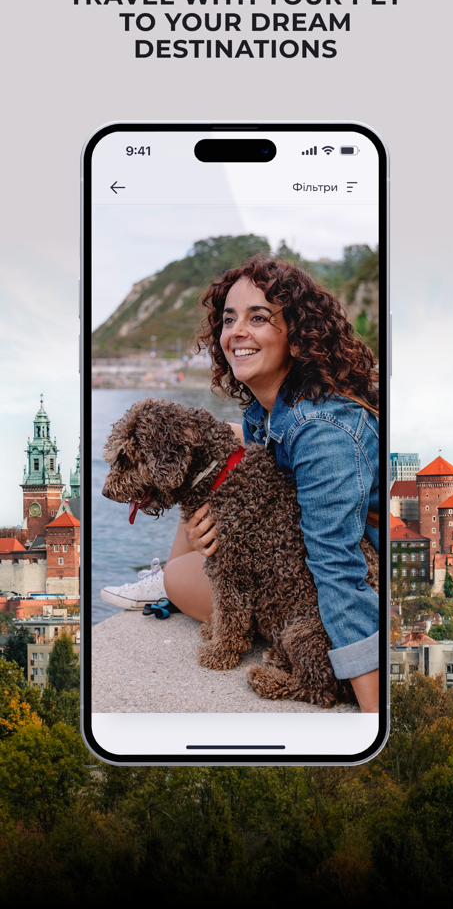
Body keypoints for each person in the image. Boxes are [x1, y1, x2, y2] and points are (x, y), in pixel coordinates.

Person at [103, 256, 379, 713]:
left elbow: (338, 568)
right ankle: (177, 567)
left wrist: (375, 721)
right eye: (229, 320)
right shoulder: (269, 407)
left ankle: (168, 579)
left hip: (324, 590)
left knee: (178, 576)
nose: (237, 332)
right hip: (289, 561)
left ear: (298, 332)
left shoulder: (324, 433)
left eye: (259, 318)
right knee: (213, 454)